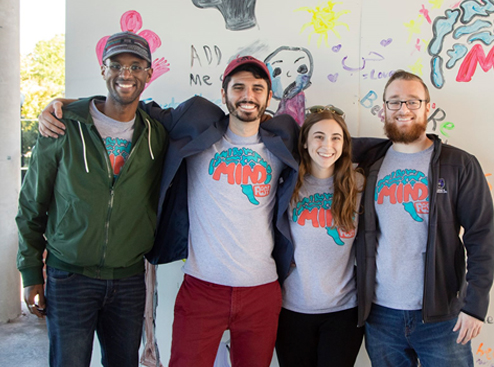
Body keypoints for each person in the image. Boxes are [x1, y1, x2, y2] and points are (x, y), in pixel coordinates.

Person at [39, 56, 299, 367]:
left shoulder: (285, 140)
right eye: (239, 87)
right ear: (224, 93)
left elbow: (334, 147)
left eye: (258, 89)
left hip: (261, 289)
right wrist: (66, 104)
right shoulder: (196, 127)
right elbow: (131, 106)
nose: (248, 95)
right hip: (202, 288)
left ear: (269, 97)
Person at [16, 31, 168, 367]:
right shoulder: (63, 126)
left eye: (136, 66)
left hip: (128, 280)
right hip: (69, 277)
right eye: (116, 65)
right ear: (103, 70)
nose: (125, 74)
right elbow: (31, 204)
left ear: (148, 73)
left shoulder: (157, 132)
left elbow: (204, 116)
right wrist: (30, 272)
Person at [353, 70, 494, 367]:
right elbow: (325, 140)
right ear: (384, 109)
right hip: (380, 316)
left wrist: (476, 305)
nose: (403, 109)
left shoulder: (459, 165)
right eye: (394, 102)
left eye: (412, 101)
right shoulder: (371, 162)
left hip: (441, 318)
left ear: (428, 108)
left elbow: (480, 237)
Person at [275, 106, 365, 367]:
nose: (328, 145)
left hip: (344, 312)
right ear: (304, 142)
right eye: (319, 136)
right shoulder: (288, 184)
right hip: (292, 309)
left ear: (345, 143)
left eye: (336, 137)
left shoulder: (357, 185)